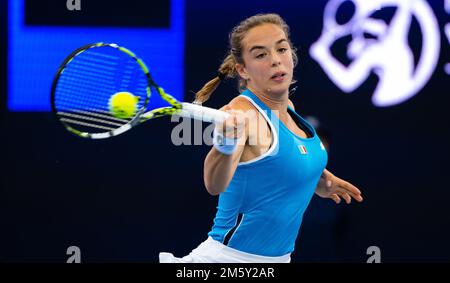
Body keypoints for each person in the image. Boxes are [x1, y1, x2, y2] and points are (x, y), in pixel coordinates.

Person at [159, 13, 363, 263]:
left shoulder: (289, 107)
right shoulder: (241, 113)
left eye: (281, 49)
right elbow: (214, 184)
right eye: (260, 54)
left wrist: (317, 177)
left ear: (292, 54)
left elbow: (279, 164)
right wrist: (226, 144)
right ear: (242, 70)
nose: (276, 60)